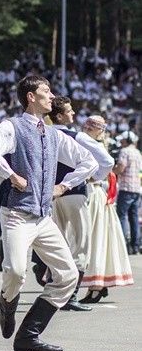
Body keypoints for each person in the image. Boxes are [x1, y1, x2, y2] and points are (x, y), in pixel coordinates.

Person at [0, 75, 97, 351]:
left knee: (67, 275)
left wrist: (64, 185)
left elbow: (88, 161)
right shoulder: (13, 126)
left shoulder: (55, 134)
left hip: (44, 217)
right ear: (31, 96)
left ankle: (28, 335)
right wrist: (11, 175)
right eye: (46, 91)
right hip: (18, 213)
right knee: (16, 272)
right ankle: (7, 304)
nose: (52, 95)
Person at [34, 97, 114, 311]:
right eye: (70, 111)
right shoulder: (76, 136)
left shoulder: (44, 133)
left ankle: (54, 288)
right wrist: (92, 176)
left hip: (51, 196)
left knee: (60, 244)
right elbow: (107, 161)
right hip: (74, 193)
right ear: (59, 115)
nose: (73, 115)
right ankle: (70, 296)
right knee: (80, 244)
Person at [79, 116, 134, 303]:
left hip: (93, 193)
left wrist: (93, 177)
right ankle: (97, 285)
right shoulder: (92, 141)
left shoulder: (85, 140)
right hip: (99, 193)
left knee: (94, 238)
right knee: (100, 238)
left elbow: (108, 163)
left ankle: (95, 285)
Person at [113, 130, 142, 255]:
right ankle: (135, 246)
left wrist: (111, 172)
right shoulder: (138, 152)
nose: (121, 141)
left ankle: (123, 245)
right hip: (136, 189)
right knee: (134, 218)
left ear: (126, 140)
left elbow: (120, 168)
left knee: (122, 216)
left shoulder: (124, 152)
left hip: (125, 188)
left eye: (122, 140)